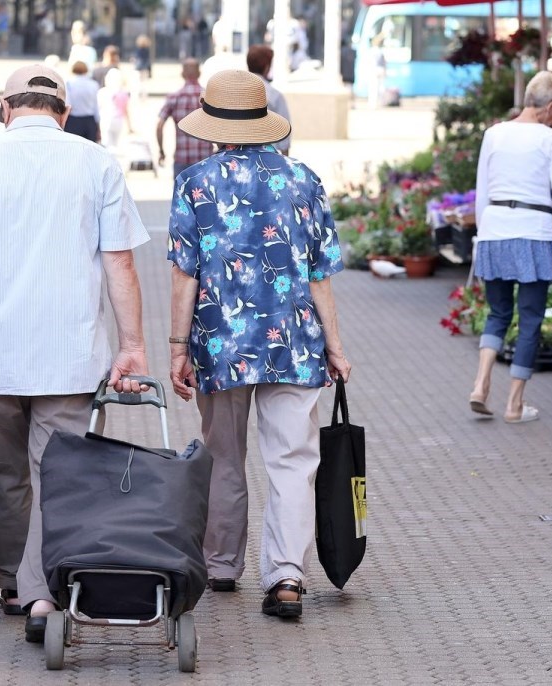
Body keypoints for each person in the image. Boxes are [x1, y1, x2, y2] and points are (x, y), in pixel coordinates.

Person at [0, 64, 150, 643]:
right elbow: (119, 262)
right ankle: (44, 591)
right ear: (64, 113)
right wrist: (132, 345)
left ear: (4, 109)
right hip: (70, 355)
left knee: (4, 473)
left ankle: (12, 586)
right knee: (62, 474)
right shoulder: (96, 162)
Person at [166, 69, 352, 619]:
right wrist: (335, 346)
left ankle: (222, 564)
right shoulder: (303, 179)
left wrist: (177, 348)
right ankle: (287, 577)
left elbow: (185, 276)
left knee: (223, 455)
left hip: (221, 344)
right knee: (293, 460)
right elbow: (321, 275)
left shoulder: (195, 183)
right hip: (295, 343)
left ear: (214, 127)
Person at [469, 71, 552, 424]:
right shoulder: (551, 139)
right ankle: (514, 406)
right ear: (550, 107)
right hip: (535, 233)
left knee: (498, 313)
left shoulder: (493, 134)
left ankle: (480, 384)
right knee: (530, 319)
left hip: (495, 230)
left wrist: (481, 235)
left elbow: (482, 191)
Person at [156, 59, 213, 179]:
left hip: (182, 159)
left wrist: (161, 151)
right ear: (199, 73)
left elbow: (159, 126)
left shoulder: (174, 97)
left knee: (182, 196)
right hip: (206, 159)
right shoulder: (209, 98)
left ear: (182, 74)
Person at [246, 45, 292, 156]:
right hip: (268, 158)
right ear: (267, 67)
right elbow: (284, 135)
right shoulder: (275, 96)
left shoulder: (235, 91)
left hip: (237, 158)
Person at [63, 60, 100, 142]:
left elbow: (68, 104)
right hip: (90, 121)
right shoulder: (94, 84)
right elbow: (96, 106)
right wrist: (98, 125)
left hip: (73, 120)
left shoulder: (69, 83)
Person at [97, 68, 132, 150]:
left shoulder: (103, 92)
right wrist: (129, 126)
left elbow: (98, 109)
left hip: (106, 120)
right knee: (115, 145)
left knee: (106, 145)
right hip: (119, 121)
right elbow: (126, 110)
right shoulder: (124, 93)